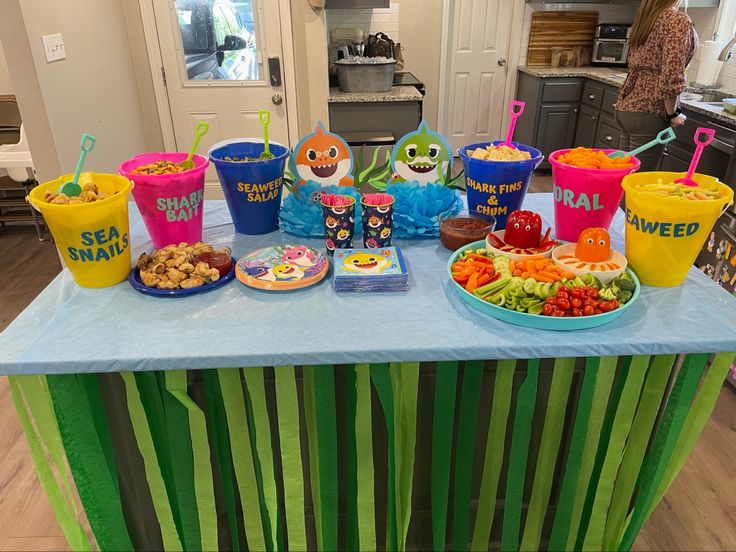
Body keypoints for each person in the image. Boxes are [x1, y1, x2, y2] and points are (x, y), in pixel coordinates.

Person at [615, 0, 698, 171]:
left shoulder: (647, 18)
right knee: (638, 182)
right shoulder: (677, 20)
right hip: (650, 110)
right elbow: (671, 72)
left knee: (624, 175)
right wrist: (673, 113)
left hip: (627, 105)